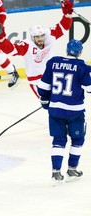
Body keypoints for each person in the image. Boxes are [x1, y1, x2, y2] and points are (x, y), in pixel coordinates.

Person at [37, 39, 91, 186]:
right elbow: (89, 88)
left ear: (67, 50)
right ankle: (72, 169)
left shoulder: (53, 62)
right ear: (79, 52)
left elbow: (43, 86)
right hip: (75, 112)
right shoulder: (83, 67)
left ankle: (56, 173)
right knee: (77, 140)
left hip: (55, 111)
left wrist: (45, 99)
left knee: (59, 140)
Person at [0, 0, 74, 97]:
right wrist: (1, 39)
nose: (40, 39)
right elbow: (10, 50)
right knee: (48, 105)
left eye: (41, 36)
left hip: (51, 77)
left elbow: (64, 26)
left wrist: (68, 14)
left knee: (61, 102)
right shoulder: (27, 45)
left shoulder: (49, 35)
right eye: (37, 37)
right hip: (36, 81)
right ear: (32, 37)